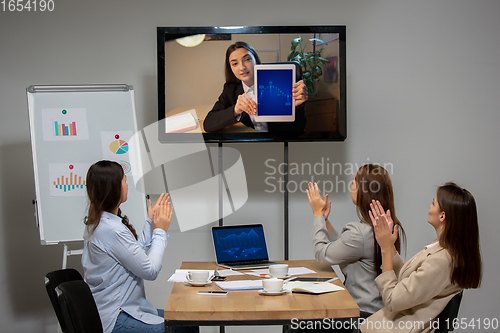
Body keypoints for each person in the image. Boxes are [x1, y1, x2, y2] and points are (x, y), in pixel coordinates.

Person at [82, 160, 198, 333]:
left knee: (186, 321)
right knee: (183, 328)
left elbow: (134, 256)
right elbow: (149, 270)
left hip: (119, 310)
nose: (127, 185)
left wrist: (151, 222)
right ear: (113, 188)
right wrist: (160, 231)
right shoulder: (111, 230)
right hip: (118, 316)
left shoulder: (101, 223)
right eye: (124, 181)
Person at [360, 183, 482, 333]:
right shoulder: (441, 249)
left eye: (433, 203)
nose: (429, 207)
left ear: (442, 215)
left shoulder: (443, 261)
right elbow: (409, 282)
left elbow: (392, 300)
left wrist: (385, 249)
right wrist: (389, 244)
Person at [306, 164, 407, 322]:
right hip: (378, 314)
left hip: (359, 317)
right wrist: (325, 220)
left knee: (297, 327)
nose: (351, 187)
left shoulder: (359, 233)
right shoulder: (388, 227)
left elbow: (322, 254)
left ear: (365, 190)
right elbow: (345, 247)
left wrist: (317, 214)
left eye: (354, 182)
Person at [203, 41, 308, 132]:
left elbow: (298, 128)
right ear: (230, 68)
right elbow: (208, 123)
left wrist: (298, 106)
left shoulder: (278, 83)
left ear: (256, 61)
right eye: (235, 64)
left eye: (247, 59)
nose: (242, 67)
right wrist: (235, 110)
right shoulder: (230, 89)